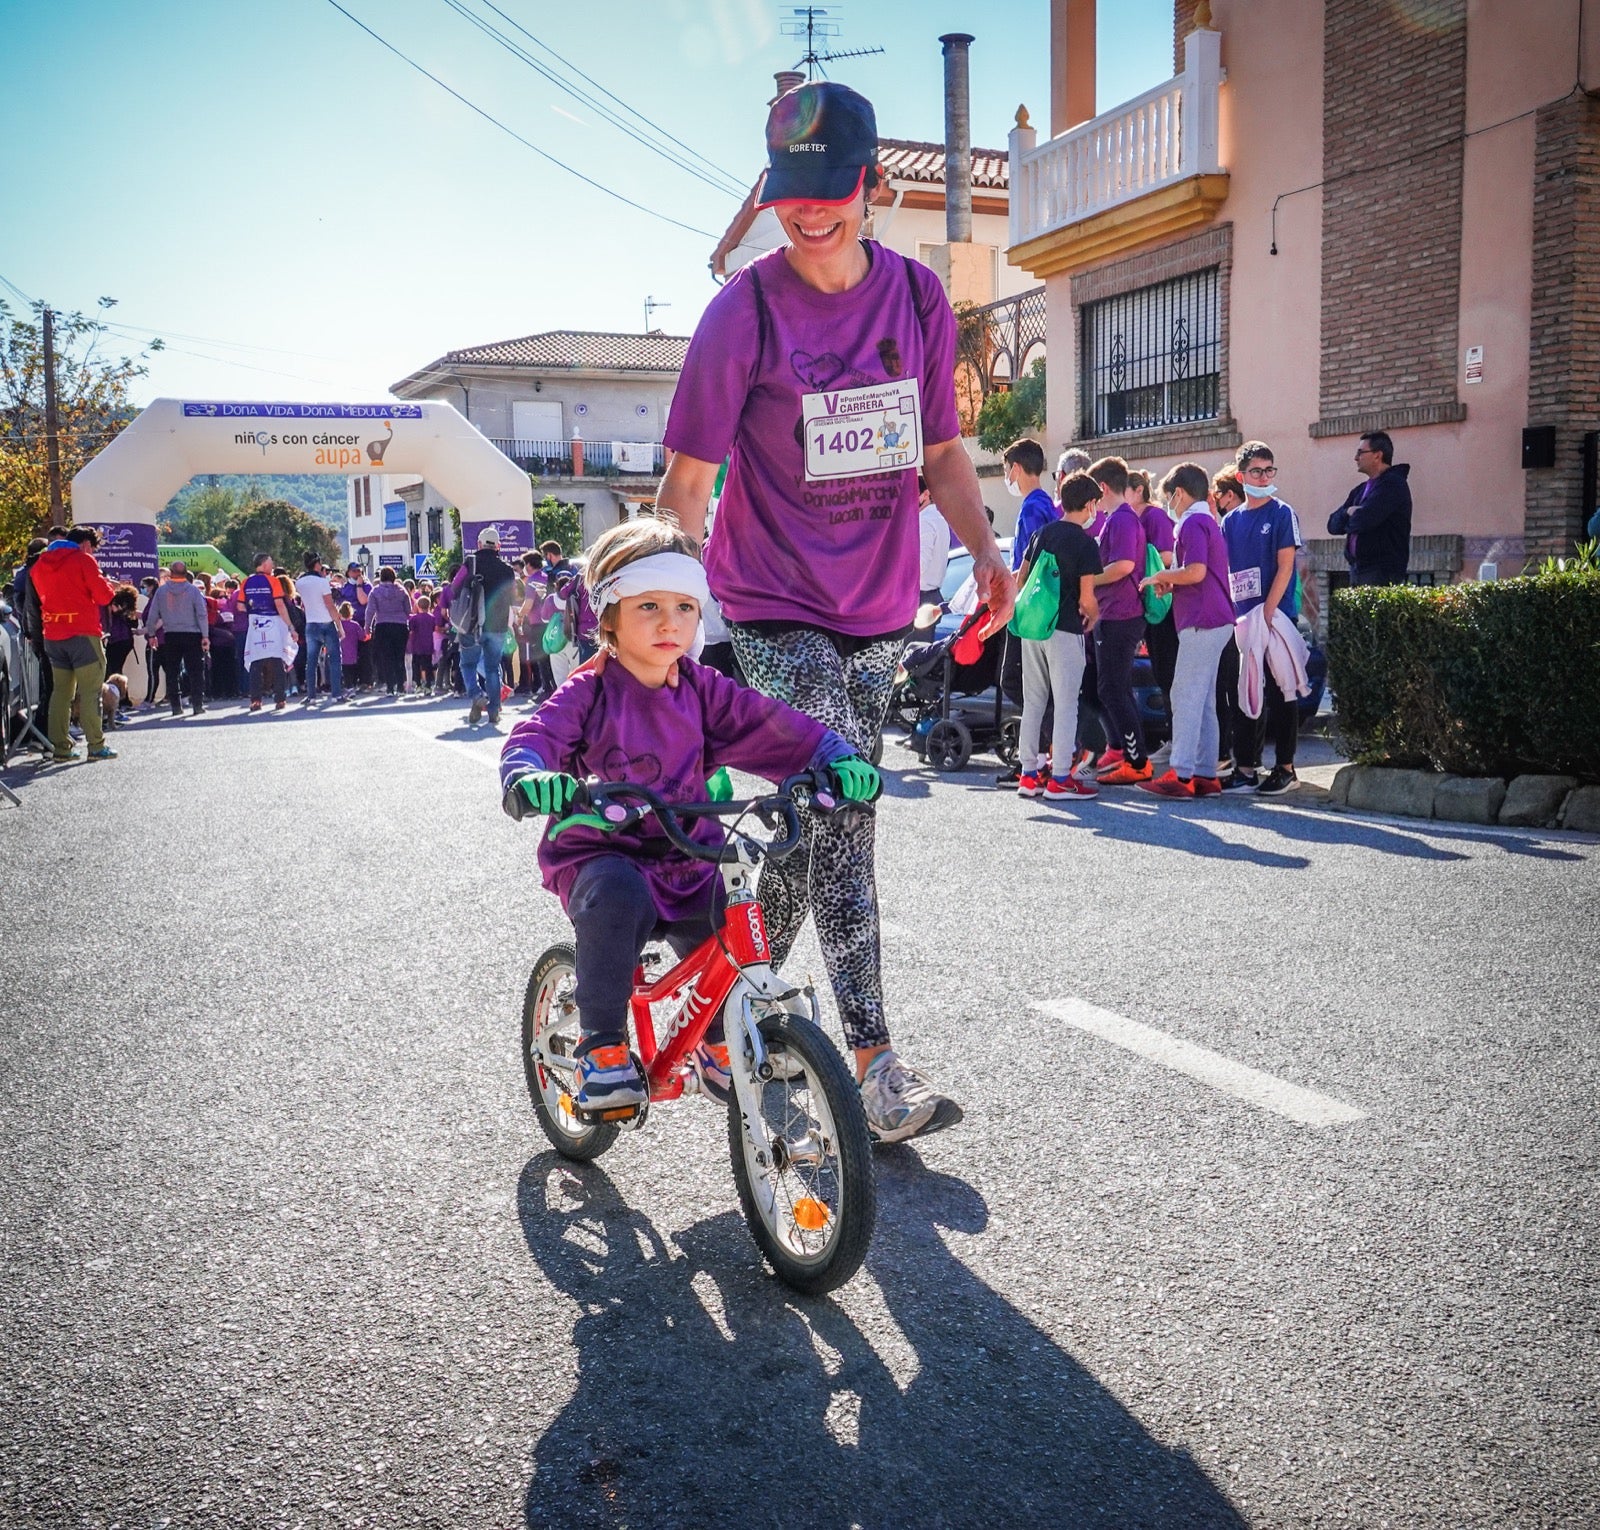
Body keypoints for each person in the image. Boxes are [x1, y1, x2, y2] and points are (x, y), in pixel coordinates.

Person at [653, 78, 1014, 1141]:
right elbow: (685, 483)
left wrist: (987, 552)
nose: (810, 213)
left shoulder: (915, 300)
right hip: (771, 606)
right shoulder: (744, 311)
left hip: (879, 609)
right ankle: (874, 1065)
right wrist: (660, 616)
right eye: (790, 194)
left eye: (830, 192)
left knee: (817, 824)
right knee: (849, 805)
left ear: (872, 186)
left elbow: (940, 450)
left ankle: (729, 1014)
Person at [498, 519, 882, 1113]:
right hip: (604, 851)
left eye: (684, 606)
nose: (669, 621)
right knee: (617, 898)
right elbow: (537, 734)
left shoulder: (704, 689)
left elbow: (772, 724)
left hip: (686, 851)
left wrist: (833, 755)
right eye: (647, 605)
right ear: (608, 618)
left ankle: (714, 1043)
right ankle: (601, 1046)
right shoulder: (590, 690)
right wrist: (529, 775)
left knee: (727, 914)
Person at [1139, 463, 1233, 798]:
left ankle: (1181, 773)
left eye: (1169, 498)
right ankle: (1206, 774)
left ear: (1179, 493)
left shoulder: (1191, 523)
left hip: (1202, 619)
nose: (1168, 505)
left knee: (1185, 694)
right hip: (1216, 618)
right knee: (1204, 698)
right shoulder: (1205, 521)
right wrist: (1173, 583)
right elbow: (1197, 574)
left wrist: (1162, 577)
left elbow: (1194, 572)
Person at [1015, 470, 1103, 801]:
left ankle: (1028, 775)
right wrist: (1093, 618)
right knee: (1066, 704)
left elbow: (1021, 580)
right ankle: (1061, 778)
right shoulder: (1084, 543)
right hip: (1065, 629)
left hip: (1032, 628)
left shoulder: (1040, 534)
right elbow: (1087, 599)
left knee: (1033, 701)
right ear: (1091, 504)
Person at [1221, 441, 1302, 794]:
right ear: (1242, 476)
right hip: (1243, 619)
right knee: (1246, 691)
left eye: (1270, 470)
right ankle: (1246, 768)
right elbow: (1226, 570)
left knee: (1283, 690)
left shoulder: (1282, 514)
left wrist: (1267, 613)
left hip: (1276, 617)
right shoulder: (1230, 521)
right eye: (1256, 471)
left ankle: (1285, 768)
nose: (1265, 476)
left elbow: (1286, 566)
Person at [1086, 456, 1152, 785]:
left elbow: (1124, 565)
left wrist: (1087, 581)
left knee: (1114, 689)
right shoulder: (1116, 518)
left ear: (1103, 488)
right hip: (1111, 613)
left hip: (1121, 614)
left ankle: (1138, 761)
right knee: (1107, 687)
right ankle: (1121, 750)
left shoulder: (1122, 520)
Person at [30, 525, 117, 761]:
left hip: (53, 634)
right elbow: (104, 597)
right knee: (90, 691)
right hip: (83, 633)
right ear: (87, 545)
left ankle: (60, 748)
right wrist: (107, 584)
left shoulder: (39, 564)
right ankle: (96, 746)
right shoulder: (83, 560)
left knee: (61, 693)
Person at [1129, 469, 1179, 771]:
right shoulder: (1131, 519)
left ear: (1137, 490)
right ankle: (1172, 739)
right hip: (1147, 608)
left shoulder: (1155, 518)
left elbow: (1168, 557)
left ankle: (1177, 740)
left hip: (1164, 606)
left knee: (1169, 674)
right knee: (1162, 674)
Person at [446, 527, 518, 726]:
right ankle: (494, 710)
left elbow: (454, 587)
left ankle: (477, 695)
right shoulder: (507, 569)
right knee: (492, 668)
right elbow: (513, 597)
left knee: (467, 664)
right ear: (498, 546)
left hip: (472, 623)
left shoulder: (471, 562)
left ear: (479, 544)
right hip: (498, 625)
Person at [1328, 430, 1412, 586]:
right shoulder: (1360, 491)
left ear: (1377, 455)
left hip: (1382, 571)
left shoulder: (1393, 485)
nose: (1355, 458)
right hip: (1357, 569)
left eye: (1361, 452)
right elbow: (1332, 525)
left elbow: (1363, 520)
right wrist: (1348, 511)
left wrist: (1353, 517)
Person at [142, 559, 210, 717]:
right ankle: (197, 704)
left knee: (172, 671)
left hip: (170, 635)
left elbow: (152, 615)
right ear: (186, 573)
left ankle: (175, 706)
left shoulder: (161, 592)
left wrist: (151, 634)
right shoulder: (193, 591)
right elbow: (201, 614)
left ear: (171, 573)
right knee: (196, 671)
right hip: (192, 634)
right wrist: (205, 635)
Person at [242, 551, 294, 712]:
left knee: (256, 662)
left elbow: (239, 605)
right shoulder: (273, 581)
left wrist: (253, 610)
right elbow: (279, 605)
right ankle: (280, 699)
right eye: (271, 562)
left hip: (255, 624)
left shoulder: (246, 581)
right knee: (277, 662)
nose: (272, 565)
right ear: (264, 564)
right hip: (273, 623)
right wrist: (290, 626)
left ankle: (255, 700)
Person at [296, 551, 345, 704]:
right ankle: (336, 694)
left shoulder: (300, 582)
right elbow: (330, 606)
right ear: (317, 564)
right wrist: (340, 626)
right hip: (326, 622)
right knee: (335, 659)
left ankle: (311, 696)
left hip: (311, 623)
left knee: (311, 661)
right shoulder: (322, 582)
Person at [364, 566, 412, 697]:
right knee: (399, 656)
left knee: (386, 657)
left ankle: (390, 687)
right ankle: (401, 686)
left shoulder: (375, 592)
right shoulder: (402, 591)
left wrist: (367, 627)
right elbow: (409, 610)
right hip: (400, 626)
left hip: (382, 626)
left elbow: (370, 611)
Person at [917, 474, 948, 605]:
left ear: (926, 494)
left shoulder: (924, 521)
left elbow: (919, 565)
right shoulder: (937, 516)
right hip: (933, 595)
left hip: (922, 597)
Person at [407, 595, 437, 695]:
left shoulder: (414, 619)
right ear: (429, 606)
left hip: (416, 645)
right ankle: (428, 686)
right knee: (427, 666)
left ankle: (418, 685)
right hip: (428, 645)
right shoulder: (432, 618)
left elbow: (411, 630)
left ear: (418, 606)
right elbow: (434, 629)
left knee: (416, 665)